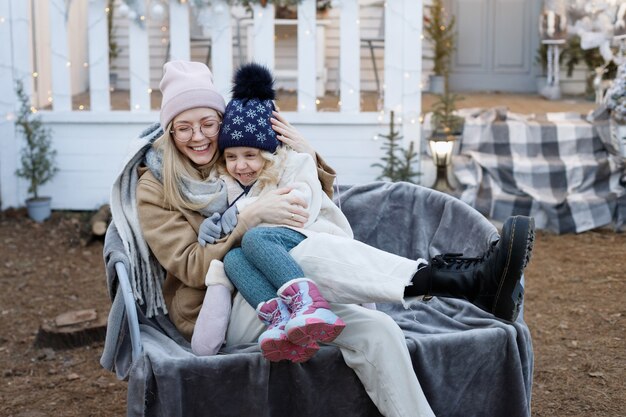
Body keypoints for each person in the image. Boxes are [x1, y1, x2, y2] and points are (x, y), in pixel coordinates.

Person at [136, 60, 532, 417]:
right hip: (222, 306)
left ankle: (458, 291)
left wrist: (305, 152)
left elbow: (308, 205)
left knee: (380, 332)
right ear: (169, 131)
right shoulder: (155, 186)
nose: (198, 137)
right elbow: (189, 265)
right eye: (184, 127)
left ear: (223, 121)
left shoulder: (237, 155)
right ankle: (454, 281)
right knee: (302, 251)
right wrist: (248, 220)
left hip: (284, 287)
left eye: (208, 123)